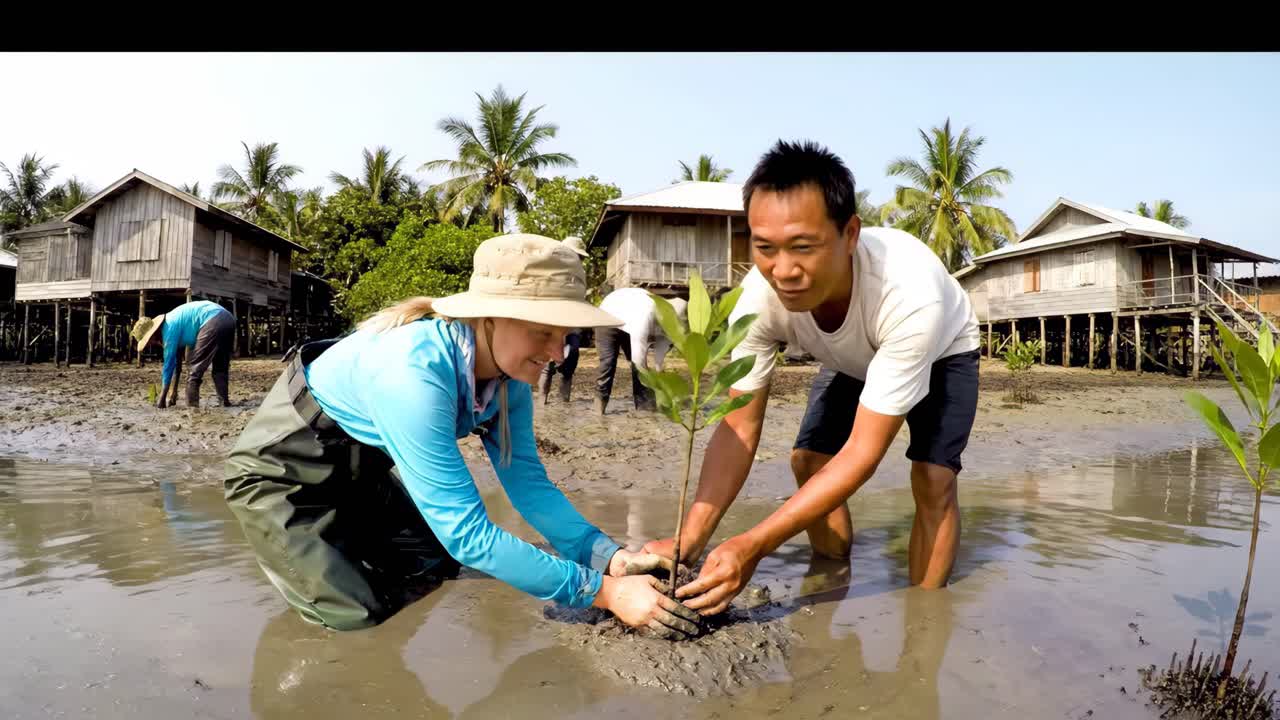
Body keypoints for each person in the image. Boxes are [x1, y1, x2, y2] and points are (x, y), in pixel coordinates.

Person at [223, 233, 700, 637]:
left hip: (362, 472)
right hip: (280, 477)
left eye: (566, 335)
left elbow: (529, 487)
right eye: (543, 333)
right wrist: (603, 593)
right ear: (489, 317)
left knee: (435, 566)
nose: (558, 353)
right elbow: (469, 536)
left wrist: (607, 558)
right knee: (354, 620)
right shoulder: (413, 374)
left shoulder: (510, 382)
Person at [644, 140, 981, 615]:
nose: (783, 271)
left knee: (932, 479)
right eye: (765, 248)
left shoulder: (908, 293)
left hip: (944, 349)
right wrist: (690, 537)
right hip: (851, 357)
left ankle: (925, 622)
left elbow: (864, 451)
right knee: (808, 460)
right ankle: (833, 570)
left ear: (849, 234)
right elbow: (739, 425)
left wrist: (754, 545)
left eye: (803, 247)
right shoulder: (758, 298)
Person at [594, 288, 688, 414]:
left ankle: (645, 410)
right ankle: (599, 407)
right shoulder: (646, 314)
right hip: (608, 315)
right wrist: (649, 378)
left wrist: (659, 368)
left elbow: (663, 342)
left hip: (629, 318)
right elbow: (639, 359)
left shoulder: (669, 318)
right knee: (609, 364)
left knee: (640, 371)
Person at [132, 299, 237, 409]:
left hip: (211, 321)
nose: (150, 344)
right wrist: (173, 395)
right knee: (220, 367)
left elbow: (168, 367)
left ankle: (192, 408)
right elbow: (177, 366)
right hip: (227, 319)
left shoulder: (168, 330)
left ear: (152, 334)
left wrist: (161, 400)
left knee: (194, 372)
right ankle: (224, 403)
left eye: (149, 341)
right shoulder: (173, 320)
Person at [538, 237, 589, 404]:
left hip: (572, 324)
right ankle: (542, 399)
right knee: (547, 362)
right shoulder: (549, 271)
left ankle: (563, 400)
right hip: (550, 322)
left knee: (572, 356)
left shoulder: (580, 275)